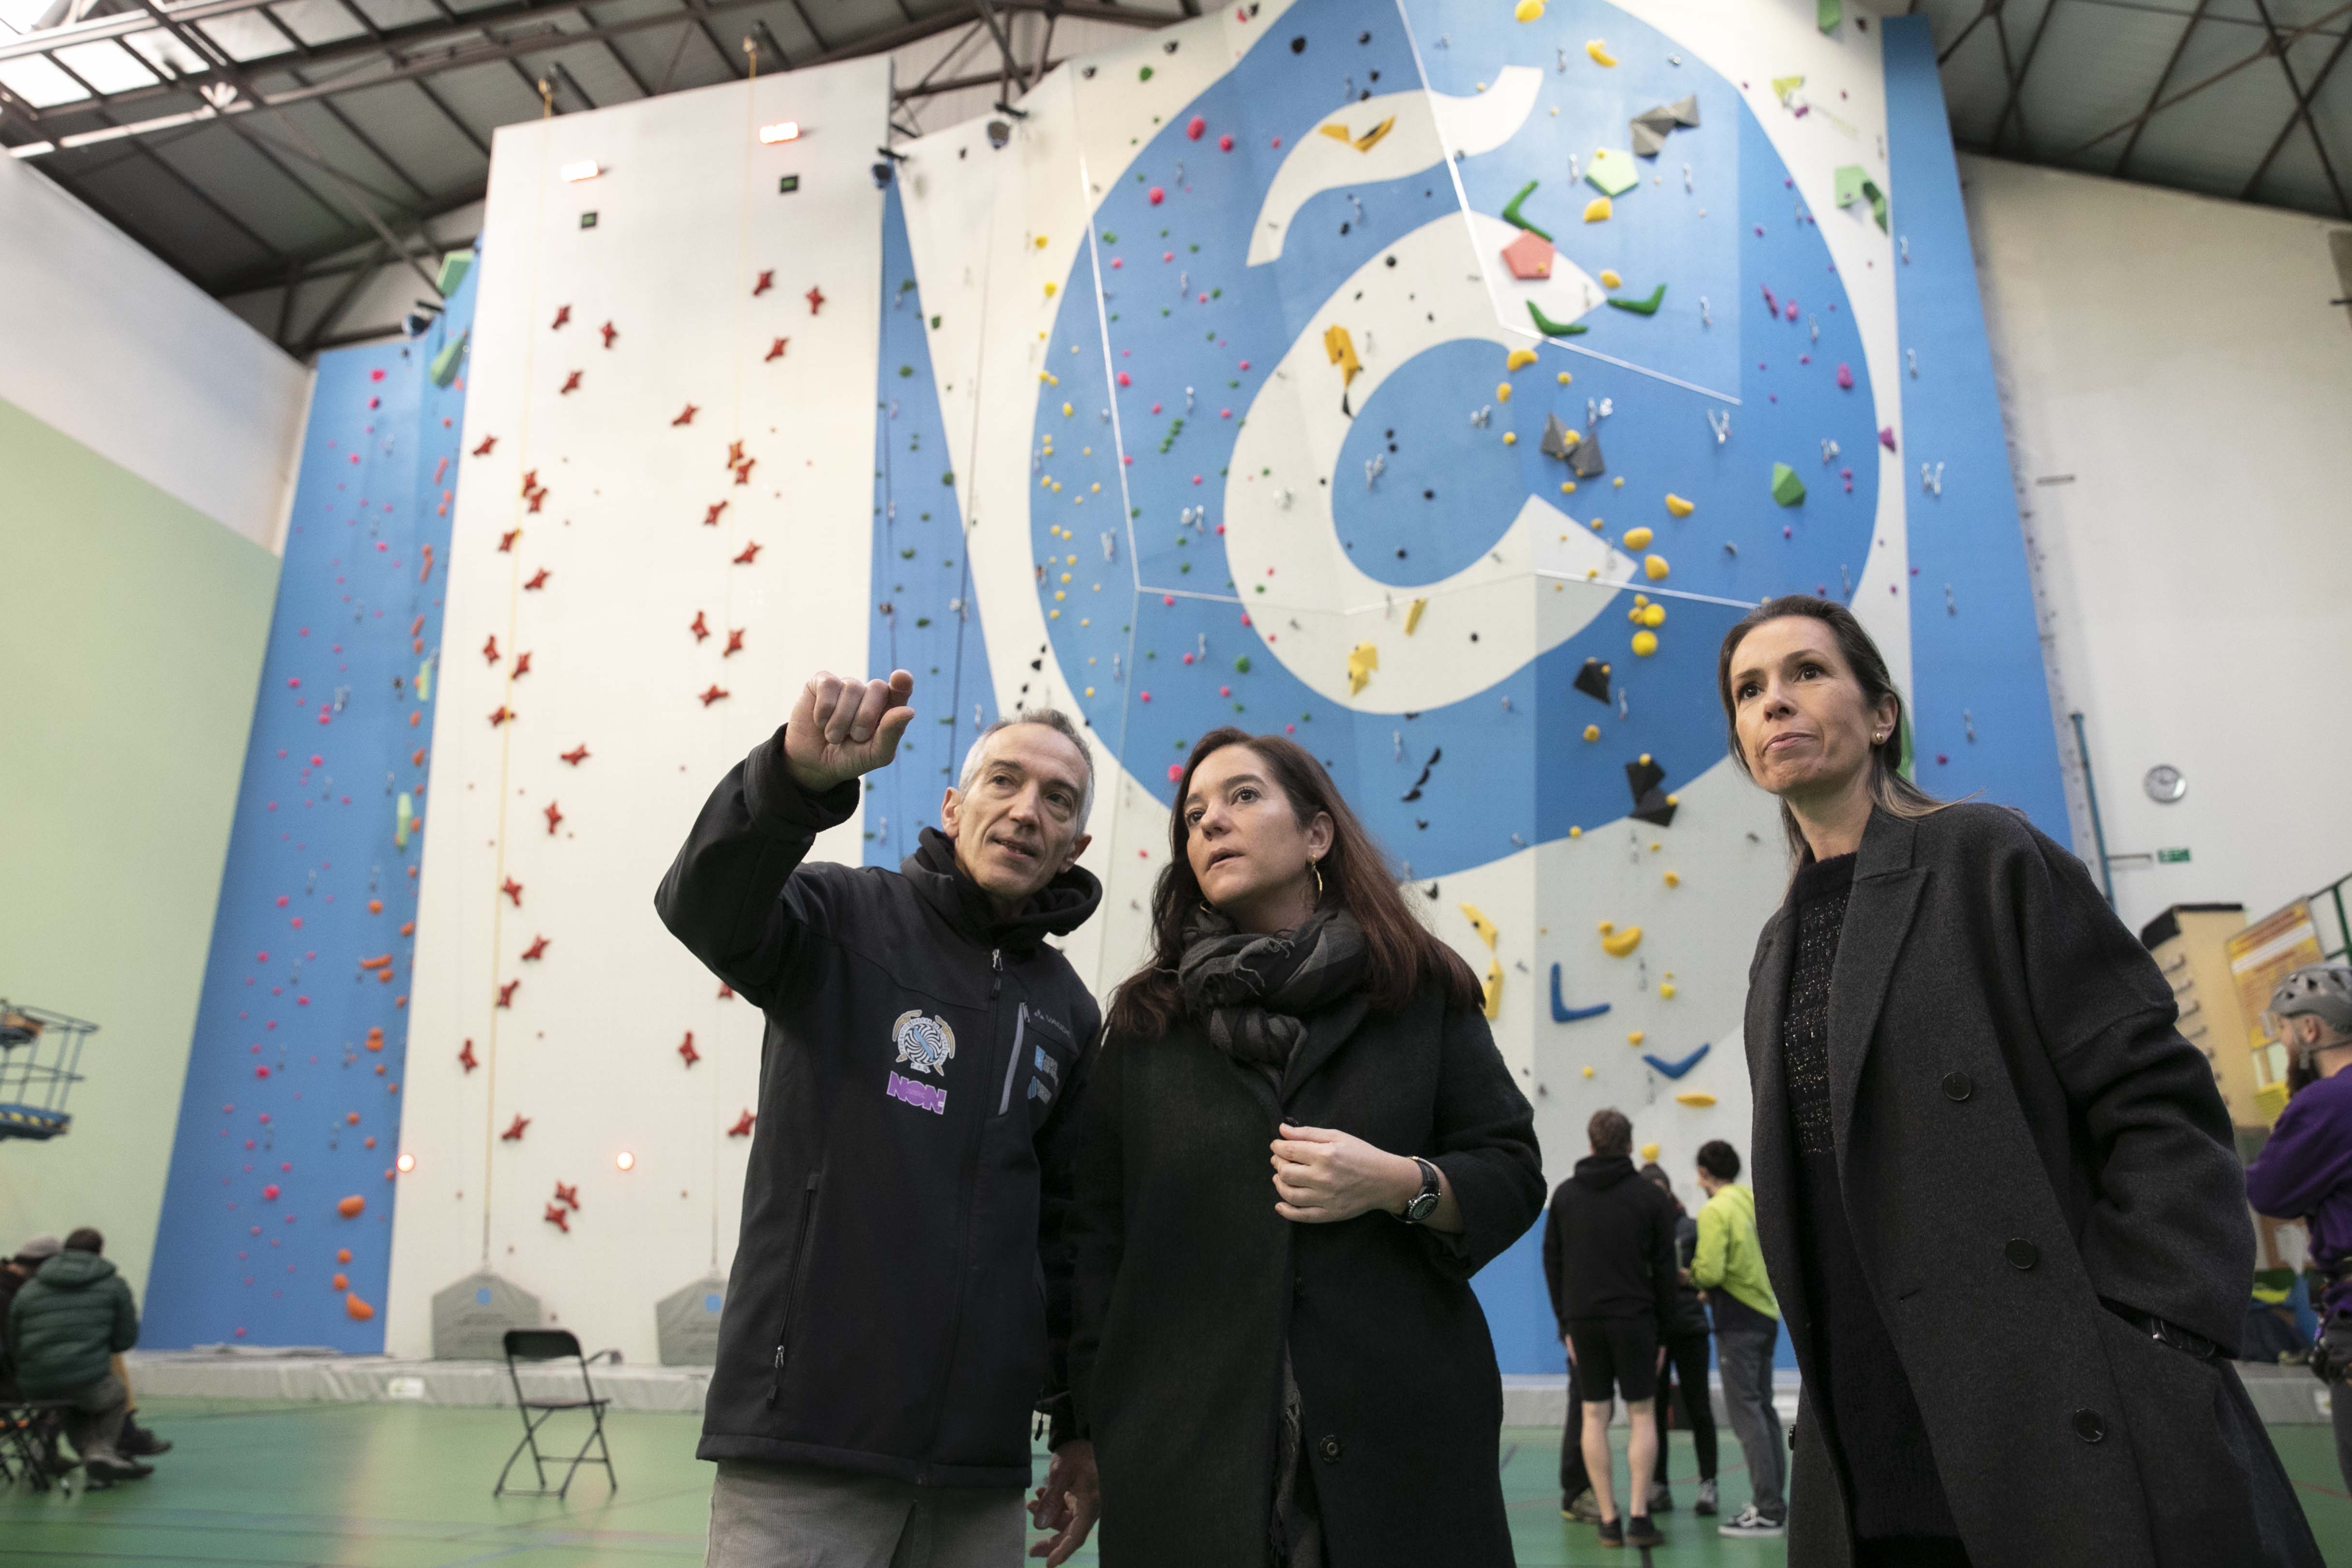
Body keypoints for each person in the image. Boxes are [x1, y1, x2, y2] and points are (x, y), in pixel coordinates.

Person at [1718, 593, 2321, 1568]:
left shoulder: (1982, 855)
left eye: (1805, 673)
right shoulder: (1772, 953)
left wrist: (2155, 1329)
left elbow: (2157, 1103)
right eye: (1749, 691)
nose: (1774, 703)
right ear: (1742, 744)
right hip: (1867, 1431)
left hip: (2054, 1411)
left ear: (1880, 716)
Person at [656, 670, 1105, 1568]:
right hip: (807, 1441)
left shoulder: (1070, 1014)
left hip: (977, 1473)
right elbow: (703, 905)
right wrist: (792, 782)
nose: (1026, 811)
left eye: (1057, 800)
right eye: (1004, 781)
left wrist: (1077, 1425)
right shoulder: (840, 918)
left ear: (1075, 843)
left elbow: (1063, 1238)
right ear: (954, 802)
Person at [1068, 727, 1542, 1567]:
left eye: (1243, 796)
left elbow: (1510, 1172)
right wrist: (1093, 1427)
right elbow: (1096, 1244)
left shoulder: (1419, 989)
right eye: (1195, 813)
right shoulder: (1146, 1025)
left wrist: (1399, 1182)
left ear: (1316, 834)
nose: (1212, 821)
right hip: (1185, 1463)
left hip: (1401, 1451)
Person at [1541, 1109, 1676, 1549]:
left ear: (1591, 1143)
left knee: (1594, 1415)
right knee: (1641, 1414)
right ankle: (1639, 1518)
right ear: (1630, 1146)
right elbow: (1664, 1271)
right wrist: (1664, 1334)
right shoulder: (1651, 1198)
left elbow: (1553, 1264)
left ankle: (1607, 1520)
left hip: (1583, 1321)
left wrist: (1566, 1326)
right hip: (1635, 1320)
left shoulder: (1564, 1197)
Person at [2245, 964, 2352, 1497]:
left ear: (2309, 1031)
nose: (2283, 1041)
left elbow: (2269, 1193)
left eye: (2284, 1030)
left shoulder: (2326, 1103)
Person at [1689, 1140, 1785, 1539]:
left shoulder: (1715, 1210)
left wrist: (1690, 1276)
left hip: (1737, 1321)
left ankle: (1766, 1509)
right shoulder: (1749, 1200)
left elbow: (1710, 1271)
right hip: (1765, 1314)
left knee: (1746, 1414)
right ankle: (1774, 1503)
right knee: (1763, 1410)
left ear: (1704, 1174)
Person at [5, 1227, 149, 1484]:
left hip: (34, 1384)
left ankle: (88, 1455)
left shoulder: (30, 1289)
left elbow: (14, 1340)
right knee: (114, 1395)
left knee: (68, 1400)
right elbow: (125, 1340)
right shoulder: (114, 1285)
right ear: (100, 1252)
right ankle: (102, 1452)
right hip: (84, 1382)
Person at [1636, 1160, 1718, 1518]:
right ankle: (1659, 1485)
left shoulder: (1692, 1228)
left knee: (1698, 1406)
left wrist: (1688, 1279)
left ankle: (1708, 1484)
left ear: (1670, 1194)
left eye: (1662, 1194)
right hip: (1654, 1332)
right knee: (1653, 1413)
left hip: (1690, 1330)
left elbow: (1706, 1276)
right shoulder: (1638, 1232)